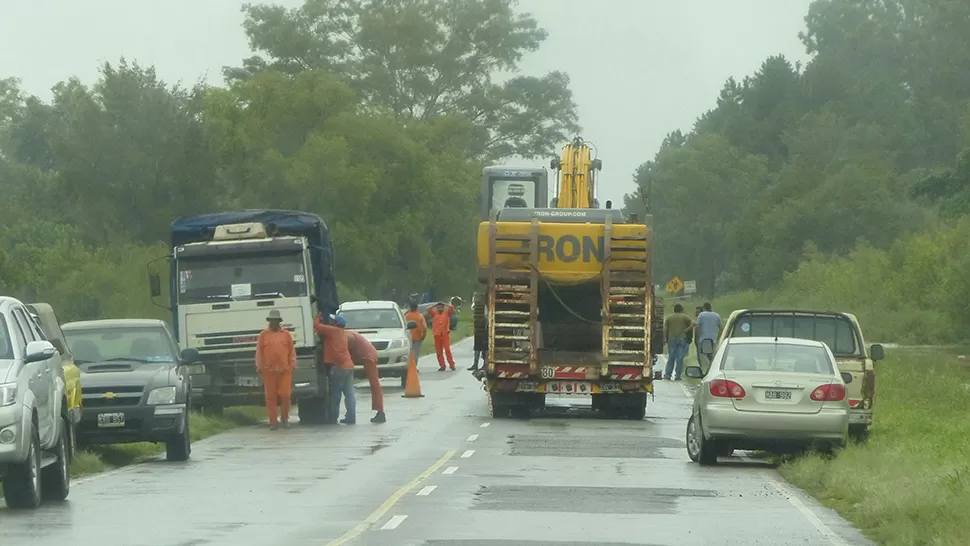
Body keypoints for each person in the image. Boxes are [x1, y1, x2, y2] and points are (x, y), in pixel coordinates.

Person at [255, 310, 296, 430]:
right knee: (270, 397)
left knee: (285, 395)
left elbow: (291, 351)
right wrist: (259, 366)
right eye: (271, 320)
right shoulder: (263, 335)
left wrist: (292, 364)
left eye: (275, 320)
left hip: (284, 371)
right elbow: (259, 352)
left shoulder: (286, 334)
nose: (273, 322)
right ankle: (273, 422)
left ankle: (285, 419)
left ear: (279, 322)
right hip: (269, 372)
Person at [313, 313, 356, 425]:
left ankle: (333, 418)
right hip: (348, 365)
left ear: (336, 324)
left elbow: (317, 326)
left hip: (339, 367)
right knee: (349, 394)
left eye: (332, 320)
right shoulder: (342, 333)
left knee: (336, 394)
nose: (330, 321)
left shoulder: (333, 331)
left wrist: (317, 317)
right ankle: (351, 417)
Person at [344, 326, 386, 424]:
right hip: (365, 354)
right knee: (373, 383)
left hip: (368, 356)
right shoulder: (348, 333)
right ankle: (379, 411)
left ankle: (380, 411)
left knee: (374, 383)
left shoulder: (347, 336)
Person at [663, 303, 693, 381]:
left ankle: (668, 375)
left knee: (671, 357)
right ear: (681, 310)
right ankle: (678, 375)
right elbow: (694, 323)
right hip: (682, 339)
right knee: (680, 358)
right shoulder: (684, 317)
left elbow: (665, 329)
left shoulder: (669, 317)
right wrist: (686, 330)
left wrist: (665, 338)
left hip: (671, 339)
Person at [695, 302, 722, 374]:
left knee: (703, 357)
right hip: (713, 340)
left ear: (704, 308)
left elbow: (697, 327)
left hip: (703, 340)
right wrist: (718, 337)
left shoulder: (701, 315)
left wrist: (697, 338)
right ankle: (713, 370)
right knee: (712, 357)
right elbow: (721, 328)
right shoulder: (717, 316)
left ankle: (707, 372)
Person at [428, 301, 456, 371]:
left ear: (443, 308)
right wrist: (435, 305)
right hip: (436, 335)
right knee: (438, 351)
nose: (439, 308)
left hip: (444, 334)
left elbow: (452, 307)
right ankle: (442, 365)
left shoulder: (447, 313)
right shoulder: (434, 314)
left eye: (441, 307)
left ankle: (452, 365)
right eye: (438, 307)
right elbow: (428, 309)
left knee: (447, 350)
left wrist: (444, 303)